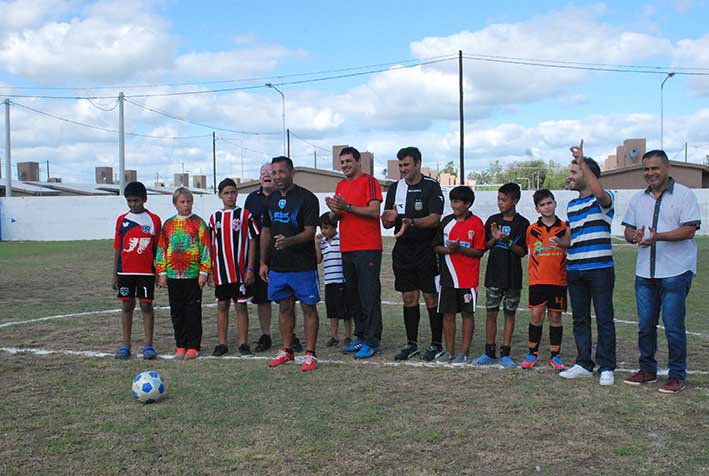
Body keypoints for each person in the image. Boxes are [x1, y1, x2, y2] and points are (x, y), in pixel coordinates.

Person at [622, 150, 701, 394]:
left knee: (673, 325)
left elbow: (689, 230)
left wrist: (658, 237)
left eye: (655, 168)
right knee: (645, 325)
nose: (650, 173)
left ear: (667, 168)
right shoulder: (638, 199)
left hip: (676, 271)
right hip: (645, 273)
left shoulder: (684, 195)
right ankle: (647, 370)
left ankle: (677, 375)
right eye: (646, 169)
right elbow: (628, 231)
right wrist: (634, 236)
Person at [558, 141, 616, 385]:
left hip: (600, 269)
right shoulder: (572, 205)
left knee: (604, 317)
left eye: (574, 172)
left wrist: (582, 161)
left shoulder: (604, 199)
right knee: (580, 318)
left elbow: (600, 193)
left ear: (587, 174)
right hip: (575, 269)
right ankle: (583, 363)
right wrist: (559, 243)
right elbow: (572, 239)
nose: (570, 176)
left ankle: (606, 367)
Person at [382, 146, 444, 362]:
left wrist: (412, 222)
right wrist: (388, 219)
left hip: (426, 250)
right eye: (400, 165)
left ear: (418, 164)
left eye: (406, 165)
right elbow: (387, 220)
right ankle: (412, 344)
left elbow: (435, 218)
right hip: (403, 251)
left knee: (430, 297)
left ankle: (437, 344)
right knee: (409, 297)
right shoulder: (395, 188)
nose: (403, 169)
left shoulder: (431, 187)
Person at [259, 156, 320, 371]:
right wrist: (263, 262)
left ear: (292, 173)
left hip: (303, 265)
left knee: (308, 308)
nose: (277, 177)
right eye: (273, 172)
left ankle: (311, 354)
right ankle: (287, 350)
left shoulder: (307, 198)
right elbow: (265, 232)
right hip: (278, 266)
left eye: (281, 172)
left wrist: (289, 241)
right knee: (284, 307)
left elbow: (310, 232)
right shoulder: (269, 200)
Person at [326, 146, 384, 359]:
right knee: (354, 296)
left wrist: (347, 207)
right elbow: (337, 217)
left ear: (359, 162)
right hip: (347, 247)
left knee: (369, 295)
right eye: (342, 162)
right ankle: (360, 337)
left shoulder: (370, 182)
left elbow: (374, 211)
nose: (345, 166)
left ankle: (373, 340)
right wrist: (334, 210)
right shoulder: (341, 185)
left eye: (349, 161)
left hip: (367, 247)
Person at [473, 183, 529, 368]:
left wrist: (508, 241)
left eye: (504, 200)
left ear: (515, 201)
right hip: (494, 275)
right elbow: (482, 248)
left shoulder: (522, 223)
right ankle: (489, 351)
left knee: (509, 314)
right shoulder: (492, 220)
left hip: (512, 276)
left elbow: (522, 252)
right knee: (491, 313)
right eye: (498, 199)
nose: (500, 203)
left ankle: (505, 352)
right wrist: (494, 239)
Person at [432, 186, 486, 366]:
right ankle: (449, 351)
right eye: (452, 201)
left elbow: (479, 251)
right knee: (448, 314)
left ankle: (464, 352)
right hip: (447, 277)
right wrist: (448, 249)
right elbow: (436, 246)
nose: (453, 205)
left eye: (457, 201)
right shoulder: (446, 221)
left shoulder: (477, 223)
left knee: (467, 314)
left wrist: (460, 249)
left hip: (467, 278)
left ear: (467, 204)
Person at [156, 187, 211, 359]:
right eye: (182, 202)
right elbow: (162, 249)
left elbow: (206, 249)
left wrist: (204, 272)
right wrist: (162, 271)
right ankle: (181, 345)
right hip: (173, 275)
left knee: (193, 311)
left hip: (192, 275)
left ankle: (194, 346)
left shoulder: (199, 224)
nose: (186, 205)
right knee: (177, 312)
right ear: (175, 204)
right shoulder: (169, 225)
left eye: (189, 201)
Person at [208, 178, 259, 357]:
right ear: (220, 195)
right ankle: (221, 343)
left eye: (233, 192)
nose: (230, 196)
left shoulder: (245, 215)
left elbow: (253, 240)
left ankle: (243, 343)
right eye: (226, 193)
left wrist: (250, 268)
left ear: (237, 194)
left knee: (241, 306)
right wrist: (210, 272)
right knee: (222, 305)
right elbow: (211, 245)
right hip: (222, 272)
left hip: (240, 271)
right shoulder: (215, 218)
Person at [520, 189, 569, 371]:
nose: (546, 207)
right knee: (536, 316)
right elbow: (529, 251)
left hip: (558, 280)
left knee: (555, 317)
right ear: (537, 208)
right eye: (542, 205)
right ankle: (532, 353)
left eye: (549, 203)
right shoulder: (531, 230)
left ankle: (555, 355)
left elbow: (569, 246)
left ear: (555, 203)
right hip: (538, 280)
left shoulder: (565, 228)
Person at [112, 181, 162, 360]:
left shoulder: (154, 220)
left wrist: (158, 272)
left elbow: (157, 249)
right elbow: (118, 247)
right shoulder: (122, 220)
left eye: (136, 200)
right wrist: (114, 274)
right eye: (129, 201)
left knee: (146, 305)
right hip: (125, 272)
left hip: (146, 272)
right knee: (127, 305)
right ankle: (126, 345)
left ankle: (148, 345)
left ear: (145, 199)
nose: (133, 204)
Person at [315, 212, 352, 347]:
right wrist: (317, 244)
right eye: (321, 228)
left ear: (334, 227)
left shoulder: (342, 239)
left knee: (346, 311)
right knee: (332, 311)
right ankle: (334, 336)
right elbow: (318, 260)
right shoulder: (323, 243)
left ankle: (348, 335)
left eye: (326, 228)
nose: (323, 231)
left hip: (342, 280)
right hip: (329, 281)